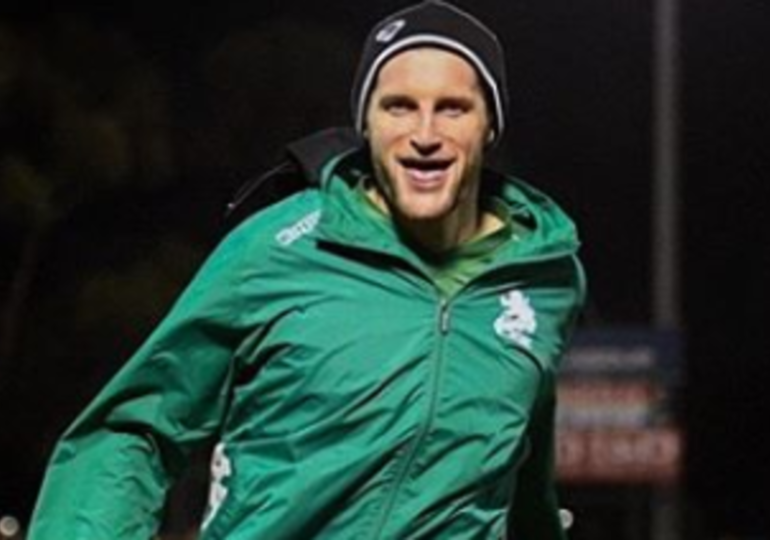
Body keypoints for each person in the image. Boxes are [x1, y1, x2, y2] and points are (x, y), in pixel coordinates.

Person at [29, 1, 585, 538]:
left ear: (490, 126)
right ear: (366, 123)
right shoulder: (277, 246)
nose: (424, 135)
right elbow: (135, 426)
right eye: (398, 106)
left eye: (453, 108)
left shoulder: (546, 277)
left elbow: (521, 468)